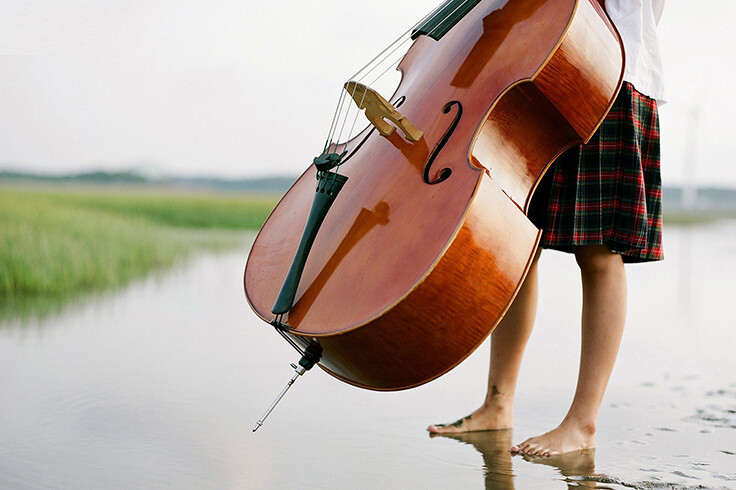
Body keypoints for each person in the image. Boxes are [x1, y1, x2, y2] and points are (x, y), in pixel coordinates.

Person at [427, 0, 666, 456]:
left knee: (599, 252)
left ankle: (583, 423)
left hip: (605, 68)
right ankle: (498, 405)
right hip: (536, 69)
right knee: (519, 241)